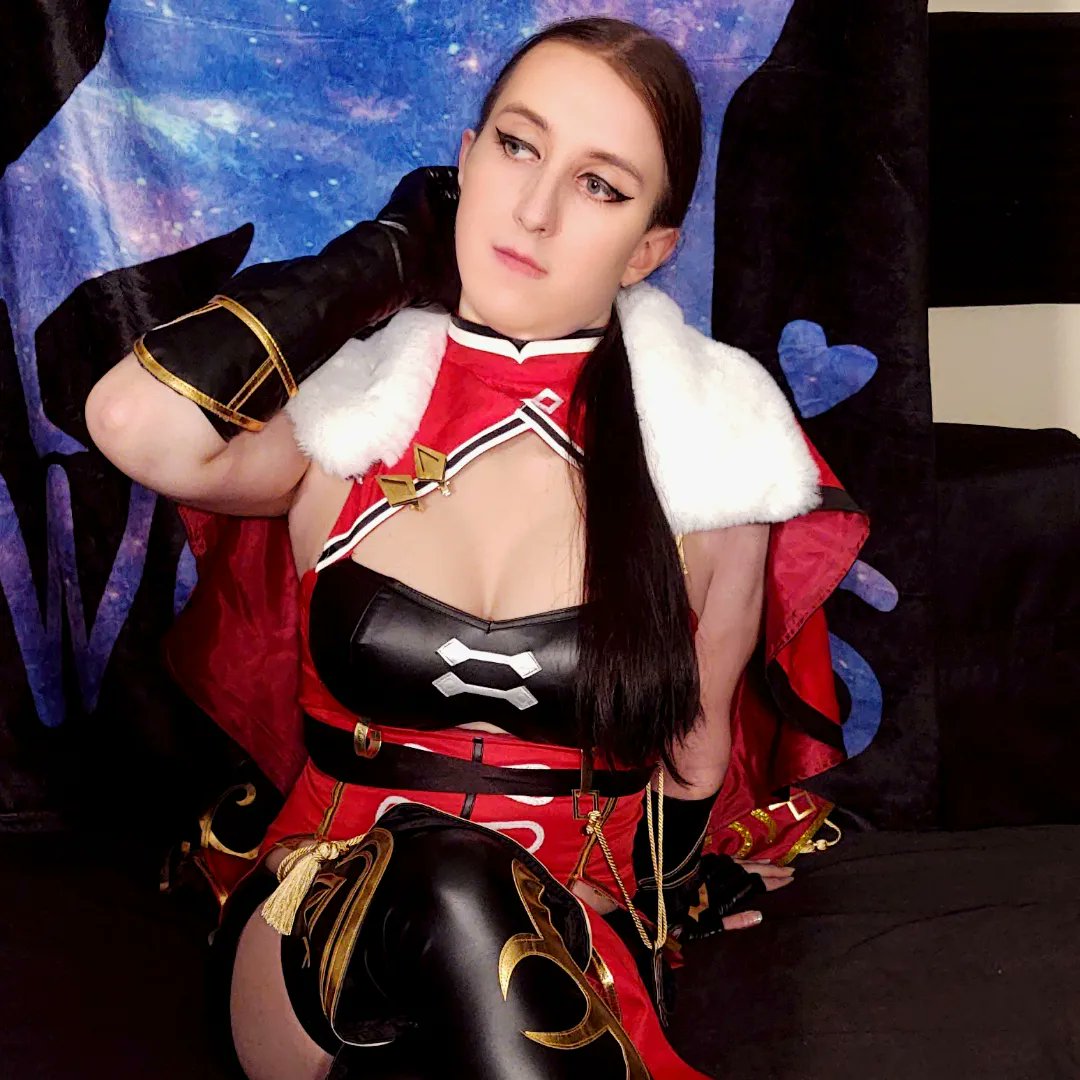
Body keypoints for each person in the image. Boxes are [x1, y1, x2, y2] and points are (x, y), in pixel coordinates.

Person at [86, 16, 866, 1080]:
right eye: (516, 146)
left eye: (600, 185)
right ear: (463, 162)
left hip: (570, 946)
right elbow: (132, 421)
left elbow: (697, 756)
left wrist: (644, 901)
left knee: (482, 927)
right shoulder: (348, 417)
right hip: (320, 935)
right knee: (450, 877)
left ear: (650, 248)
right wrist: (383, 257)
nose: (535, 209)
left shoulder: (713, 458)